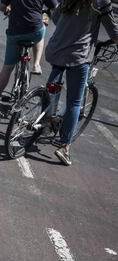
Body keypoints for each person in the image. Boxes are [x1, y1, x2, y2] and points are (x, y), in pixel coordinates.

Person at [45, 0, 118, 166]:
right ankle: (65, 147)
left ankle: (45, 122)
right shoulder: (101, 2)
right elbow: (113, 30)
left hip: (55, 49)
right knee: (74, 103)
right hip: (79, 55)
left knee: (52, 88)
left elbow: (56, 17)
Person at [0, 0, 58, 107]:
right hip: (34, 30)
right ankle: (36, 64)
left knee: (7, 67)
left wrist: (7, 10)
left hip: (15, 33)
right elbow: (55, 8)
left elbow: (1, 6)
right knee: (41, 29)